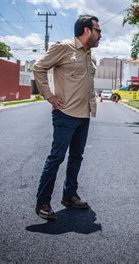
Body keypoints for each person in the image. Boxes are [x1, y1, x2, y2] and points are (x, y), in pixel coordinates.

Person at [33, 15, 102, 220]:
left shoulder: (90, 54)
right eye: (98, 30)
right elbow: (39, 67)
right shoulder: (63, 47)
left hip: (84, 115)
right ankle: (43, 202)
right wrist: (49, 96)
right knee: (56, 158)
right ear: (87, 30)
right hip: (65, 114)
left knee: (76, 157)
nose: (101, 35)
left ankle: (69, 195)